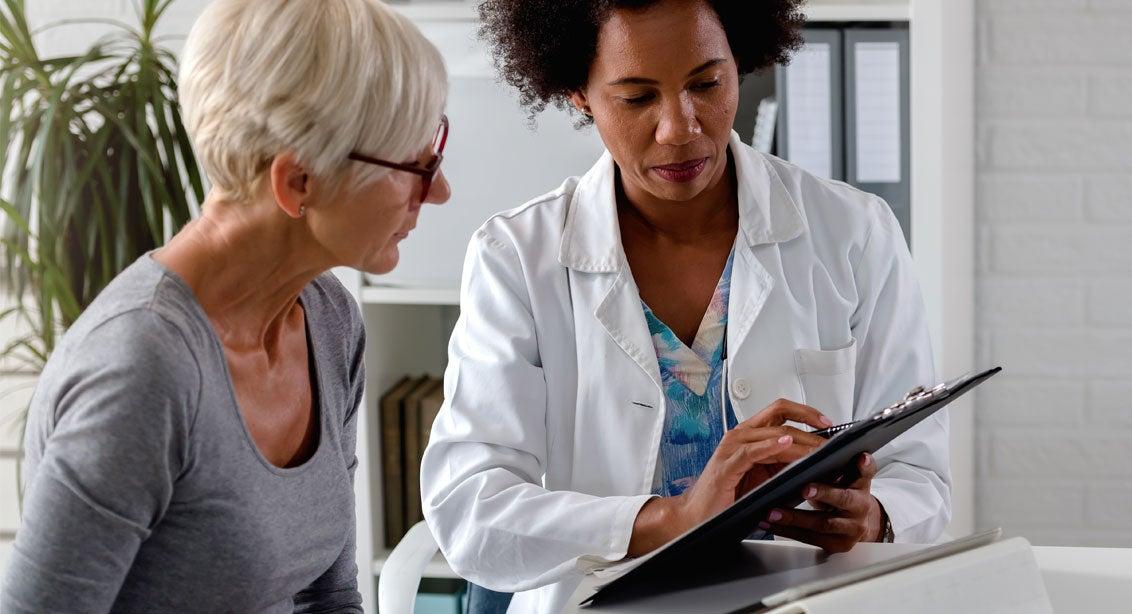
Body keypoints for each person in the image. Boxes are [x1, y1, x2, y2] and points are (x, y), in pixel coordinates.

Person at [420, 0, 950, 612]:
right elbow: (470, 509)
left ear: (741, 64)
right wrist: (671, 518)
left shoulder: (855, 233)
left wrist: (874, 517)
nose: (680, 127)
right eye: (637, 97)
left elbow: (922, 477)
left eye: (706, 83)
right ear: (578, 93)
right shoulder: (516, 258)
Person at [0, 0, 449, 611]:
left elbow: (328, 593)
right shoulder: (140, 371)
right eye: (415, 166)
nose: (440, 191)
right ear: (298, 183)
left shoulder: (329, 319)